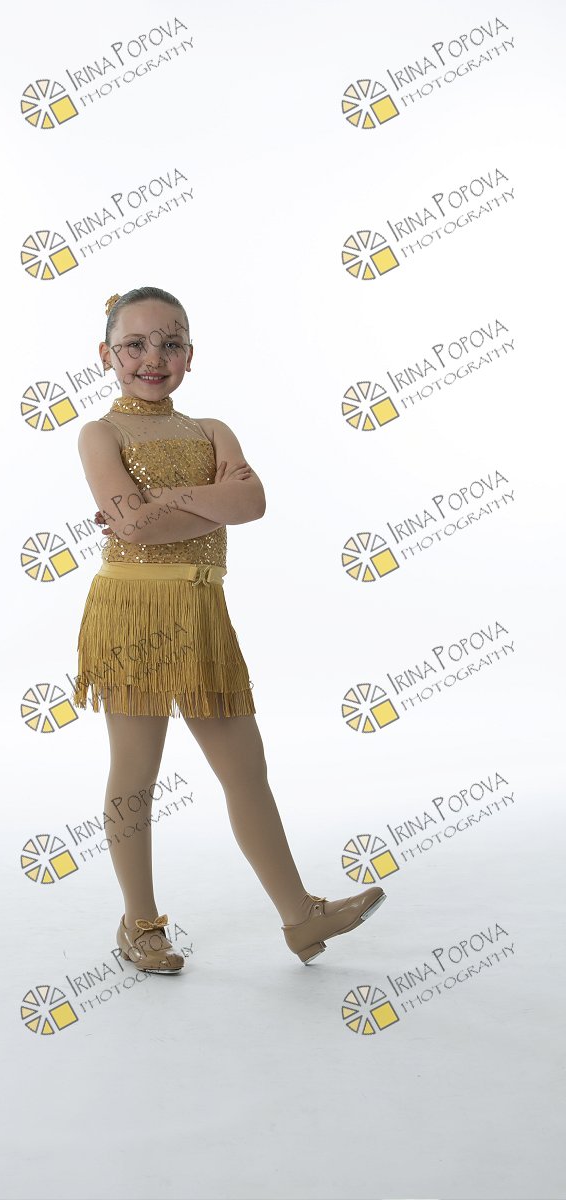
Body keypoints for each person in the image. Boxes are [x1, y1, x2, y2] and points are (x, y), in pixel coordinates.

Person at [71, 286, 386, 973]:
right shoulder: (101, 434)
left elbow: (252, 501)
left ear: (191, 354)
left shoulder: (212, 430)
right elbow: (132, 526)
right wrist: (195, 504)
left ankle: (301, 917)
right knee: (136, 769)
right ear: (106, 354)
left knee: (246, 768)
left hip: (202, 610)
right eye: (135, 344)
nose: (154, 357)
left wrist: (160, 501)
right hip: (131, 612)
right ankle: (139, 924)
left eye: (171, 343)